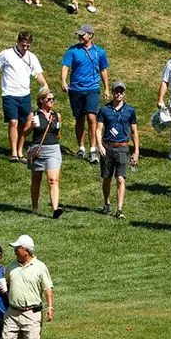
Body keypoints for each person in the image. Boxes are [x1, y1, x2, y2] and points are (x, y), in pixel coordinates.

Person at [1, 235, 54, 339]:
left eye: (17, 248)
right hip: (12, 312)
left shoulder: (40, 267)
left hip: (32, 313)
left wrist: (50, 307)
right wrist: (3, 289)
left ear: (26, 251)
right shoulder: (11, 267)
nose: (15, 251)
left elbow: (47, 289)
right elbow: (6, 285)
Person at [0, 31, 47, 163]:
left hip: (25, 94)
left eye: (27, 45)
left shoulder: (31, 57)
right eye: (23, 45)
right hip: (9, 94)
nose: (25, 48)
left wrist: (44, 84)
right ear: (18, 42)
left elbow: (37, 73)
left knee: (24, 124)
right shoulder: (6, 54)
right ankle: (13, 152)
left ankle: (20, 150)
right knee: (13, 122)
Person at [61, 22, 110, 163]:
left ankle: (93, 149)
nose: (80, 37)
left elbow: (103, 70)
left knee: (91, 117)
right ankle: (81, 147)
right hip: (76, 89)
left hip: (92, 89)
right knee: (79, 119)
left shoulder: (99, 52)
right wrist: (64, 81)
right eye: (79, 35)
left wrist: (106, 88)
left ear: (91, 35)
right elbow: (65, 66)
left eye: (83, 35)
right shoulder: (72, 51)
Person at [95, 80, 139, 218]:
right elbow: (98, 129)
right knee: (107, 178)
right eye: (116, 91)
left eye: (121, 91)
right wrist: (100, 145)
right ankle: (107, 202)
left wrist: (136, 151)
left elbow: (134, 132)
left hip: (122, 147)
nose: (118, 94)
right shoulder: (104, 110)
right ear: (112, 92)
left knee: (121, 179)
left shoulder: (130, 111)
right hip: (107, 146)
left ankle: (119, 209)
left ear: (124, 93)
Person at [27, 87, 65, 218]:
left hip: (53, 149)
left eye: (53, 99)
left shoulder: (57, 116)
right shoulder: (34, 115)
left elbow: (58, 133)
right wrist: (31, 127)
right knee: (36, 180)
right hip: (38, 149)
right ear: (41, 100)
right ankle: (35, 207)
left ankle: (55, 208)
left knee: (53, 180)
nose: (51, 101)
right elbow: (24, 133)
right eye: (49, 99)